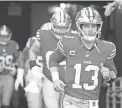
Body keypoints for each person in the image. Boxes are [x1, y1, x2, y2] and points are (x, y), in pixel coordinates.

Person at [49, 7, 117, 108]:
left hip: (93, 102)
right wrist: (56, 79)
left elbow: (112, 75)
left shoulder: (107, 48)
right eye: (86, 26)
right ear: (79, 26)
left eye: (93, 26)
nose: (90, 30)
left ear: (99, 27)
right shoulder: (68, 43)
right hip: (70, 100)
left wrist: (107, 76)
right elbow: (53, 60)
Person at [29, 10, 72, 108]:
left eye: (64, 28)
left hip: (70, 81)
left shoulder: (76, 37)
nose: (60, 31)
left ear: (69, 26)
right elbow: (33, 51)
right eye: (58, 27)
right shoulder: (43, 35)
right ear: (52, 24)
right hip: (50, 79)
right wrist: (33, 65)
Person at [0, 25, 23, 108]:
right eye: (1, 36)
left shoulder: (13, 45)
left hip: (8, 76)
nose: (3, 39)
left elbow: (19, 60)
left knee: (6, 103)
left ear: (9, 36)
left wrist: (16, 70)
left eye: (5, 36)